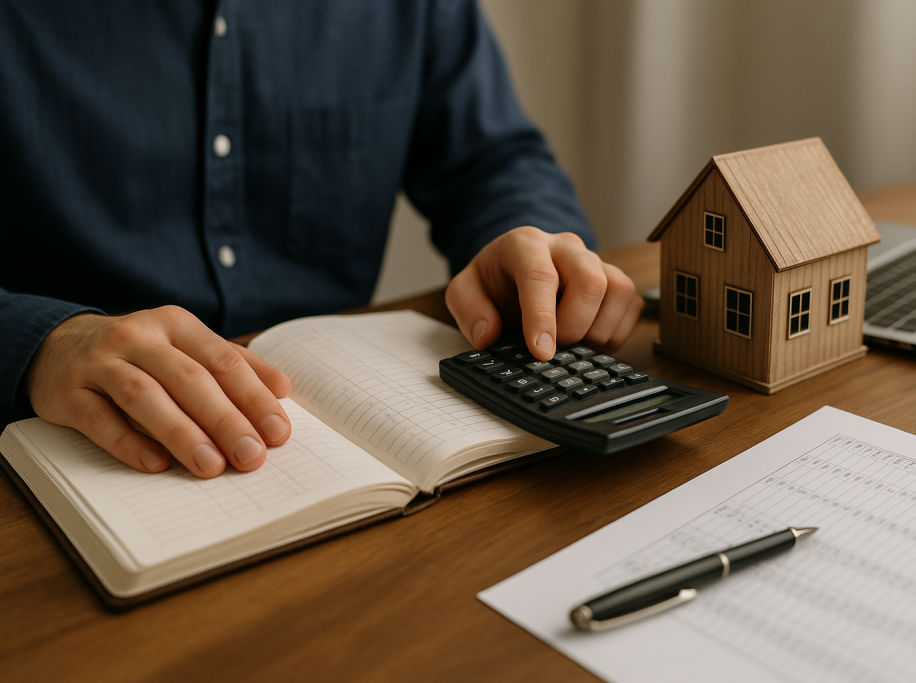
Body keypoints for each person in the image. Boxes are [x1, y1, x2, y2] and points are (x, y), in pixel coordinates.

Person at [0, 1, 642, 479]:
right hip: (63, 450)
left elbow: (494, 161)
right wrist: (41, 342)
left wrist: (524, 240)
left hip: (342, 440)